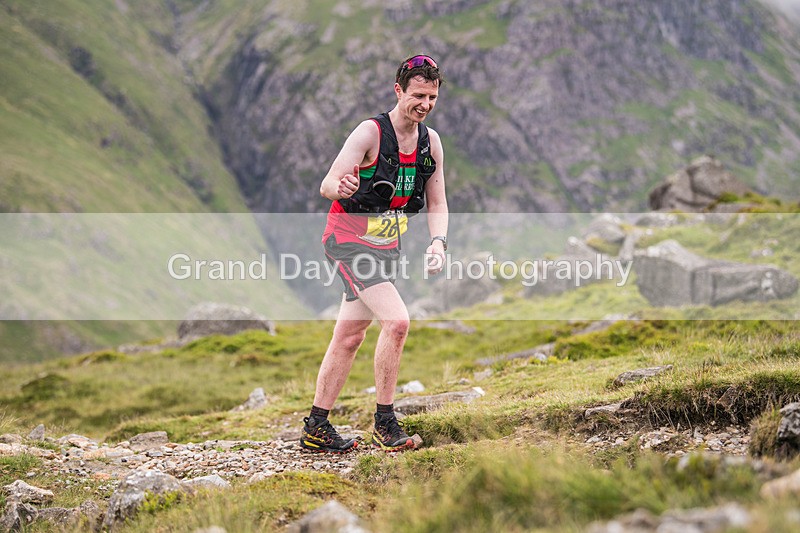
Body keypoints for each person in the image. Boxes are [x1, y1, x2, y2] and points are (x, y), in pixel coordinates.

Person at [300, 55, 449, 453]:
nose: (425, 104)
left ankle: (316, 426)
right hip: (347, 243)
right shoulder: (370, 133)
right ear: (398, 90)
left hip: (387, 249)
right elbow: (328, 184)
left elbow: (438, 203)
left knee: (349, 337)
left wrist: (438, 243)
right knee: (397, 322)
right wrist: (342, 188)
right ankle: (385, 423)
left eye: (432, 97)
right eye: (418, 95)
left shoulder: (430, 142)